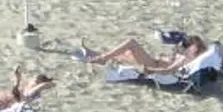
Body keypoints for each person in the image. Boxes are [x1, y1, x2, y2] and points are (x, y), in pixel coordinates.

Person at [79, 32, 210, 74]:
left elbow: (168, 70)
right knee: (124, 53)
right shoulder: (189, 57)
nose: (185, 46)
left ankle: (101, 58)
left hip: (152, 65)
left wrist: (148, 69)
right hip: (154, 61)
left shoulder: (185, 59)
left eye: (189, 44)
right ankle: (96, 55)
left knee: (131, 43)